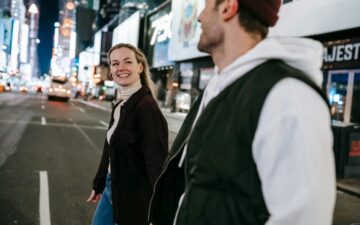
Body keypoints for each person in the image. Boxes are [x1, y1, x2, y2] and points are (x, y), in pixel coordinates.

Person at [149, 0, 336, 225]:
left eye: (207, 6)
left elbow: (305, 218)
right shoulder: (219, 87)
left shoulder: (286, 95)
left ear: (228, 7)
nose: (199, 17)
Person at [87, 43, 168, 225]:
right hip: (111, 186)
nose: (120, 68)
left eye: (127, 62)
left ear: (140, 67)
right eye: (115, 64)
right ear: (111, 71)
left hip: (134, 196)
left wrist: (158, 209)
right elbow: (110, 149)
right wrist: (99, 183)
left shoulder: (146, 108)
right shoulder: (120, 106)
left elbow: (157, 162)